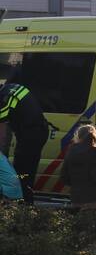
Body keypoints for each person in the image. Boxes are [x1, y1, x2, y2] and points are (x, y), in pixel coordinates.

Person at [0, 66, 49, 205]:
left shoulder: (3, 101)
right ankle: (26, 203)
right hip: (39, 130)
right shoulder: (12, 88)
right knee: (27, 171)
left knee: (22, 172)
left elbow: (2, 135)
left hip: (30, 136)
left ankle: (24, 207)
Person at [59, 124, 96, 211]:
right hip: (91, 196)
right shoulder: (94, 152)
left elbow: (64, 175)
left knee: (76, 221)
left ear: (78, 136)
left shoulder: (71, 151)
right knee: (90, 221)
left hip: (75, 195)